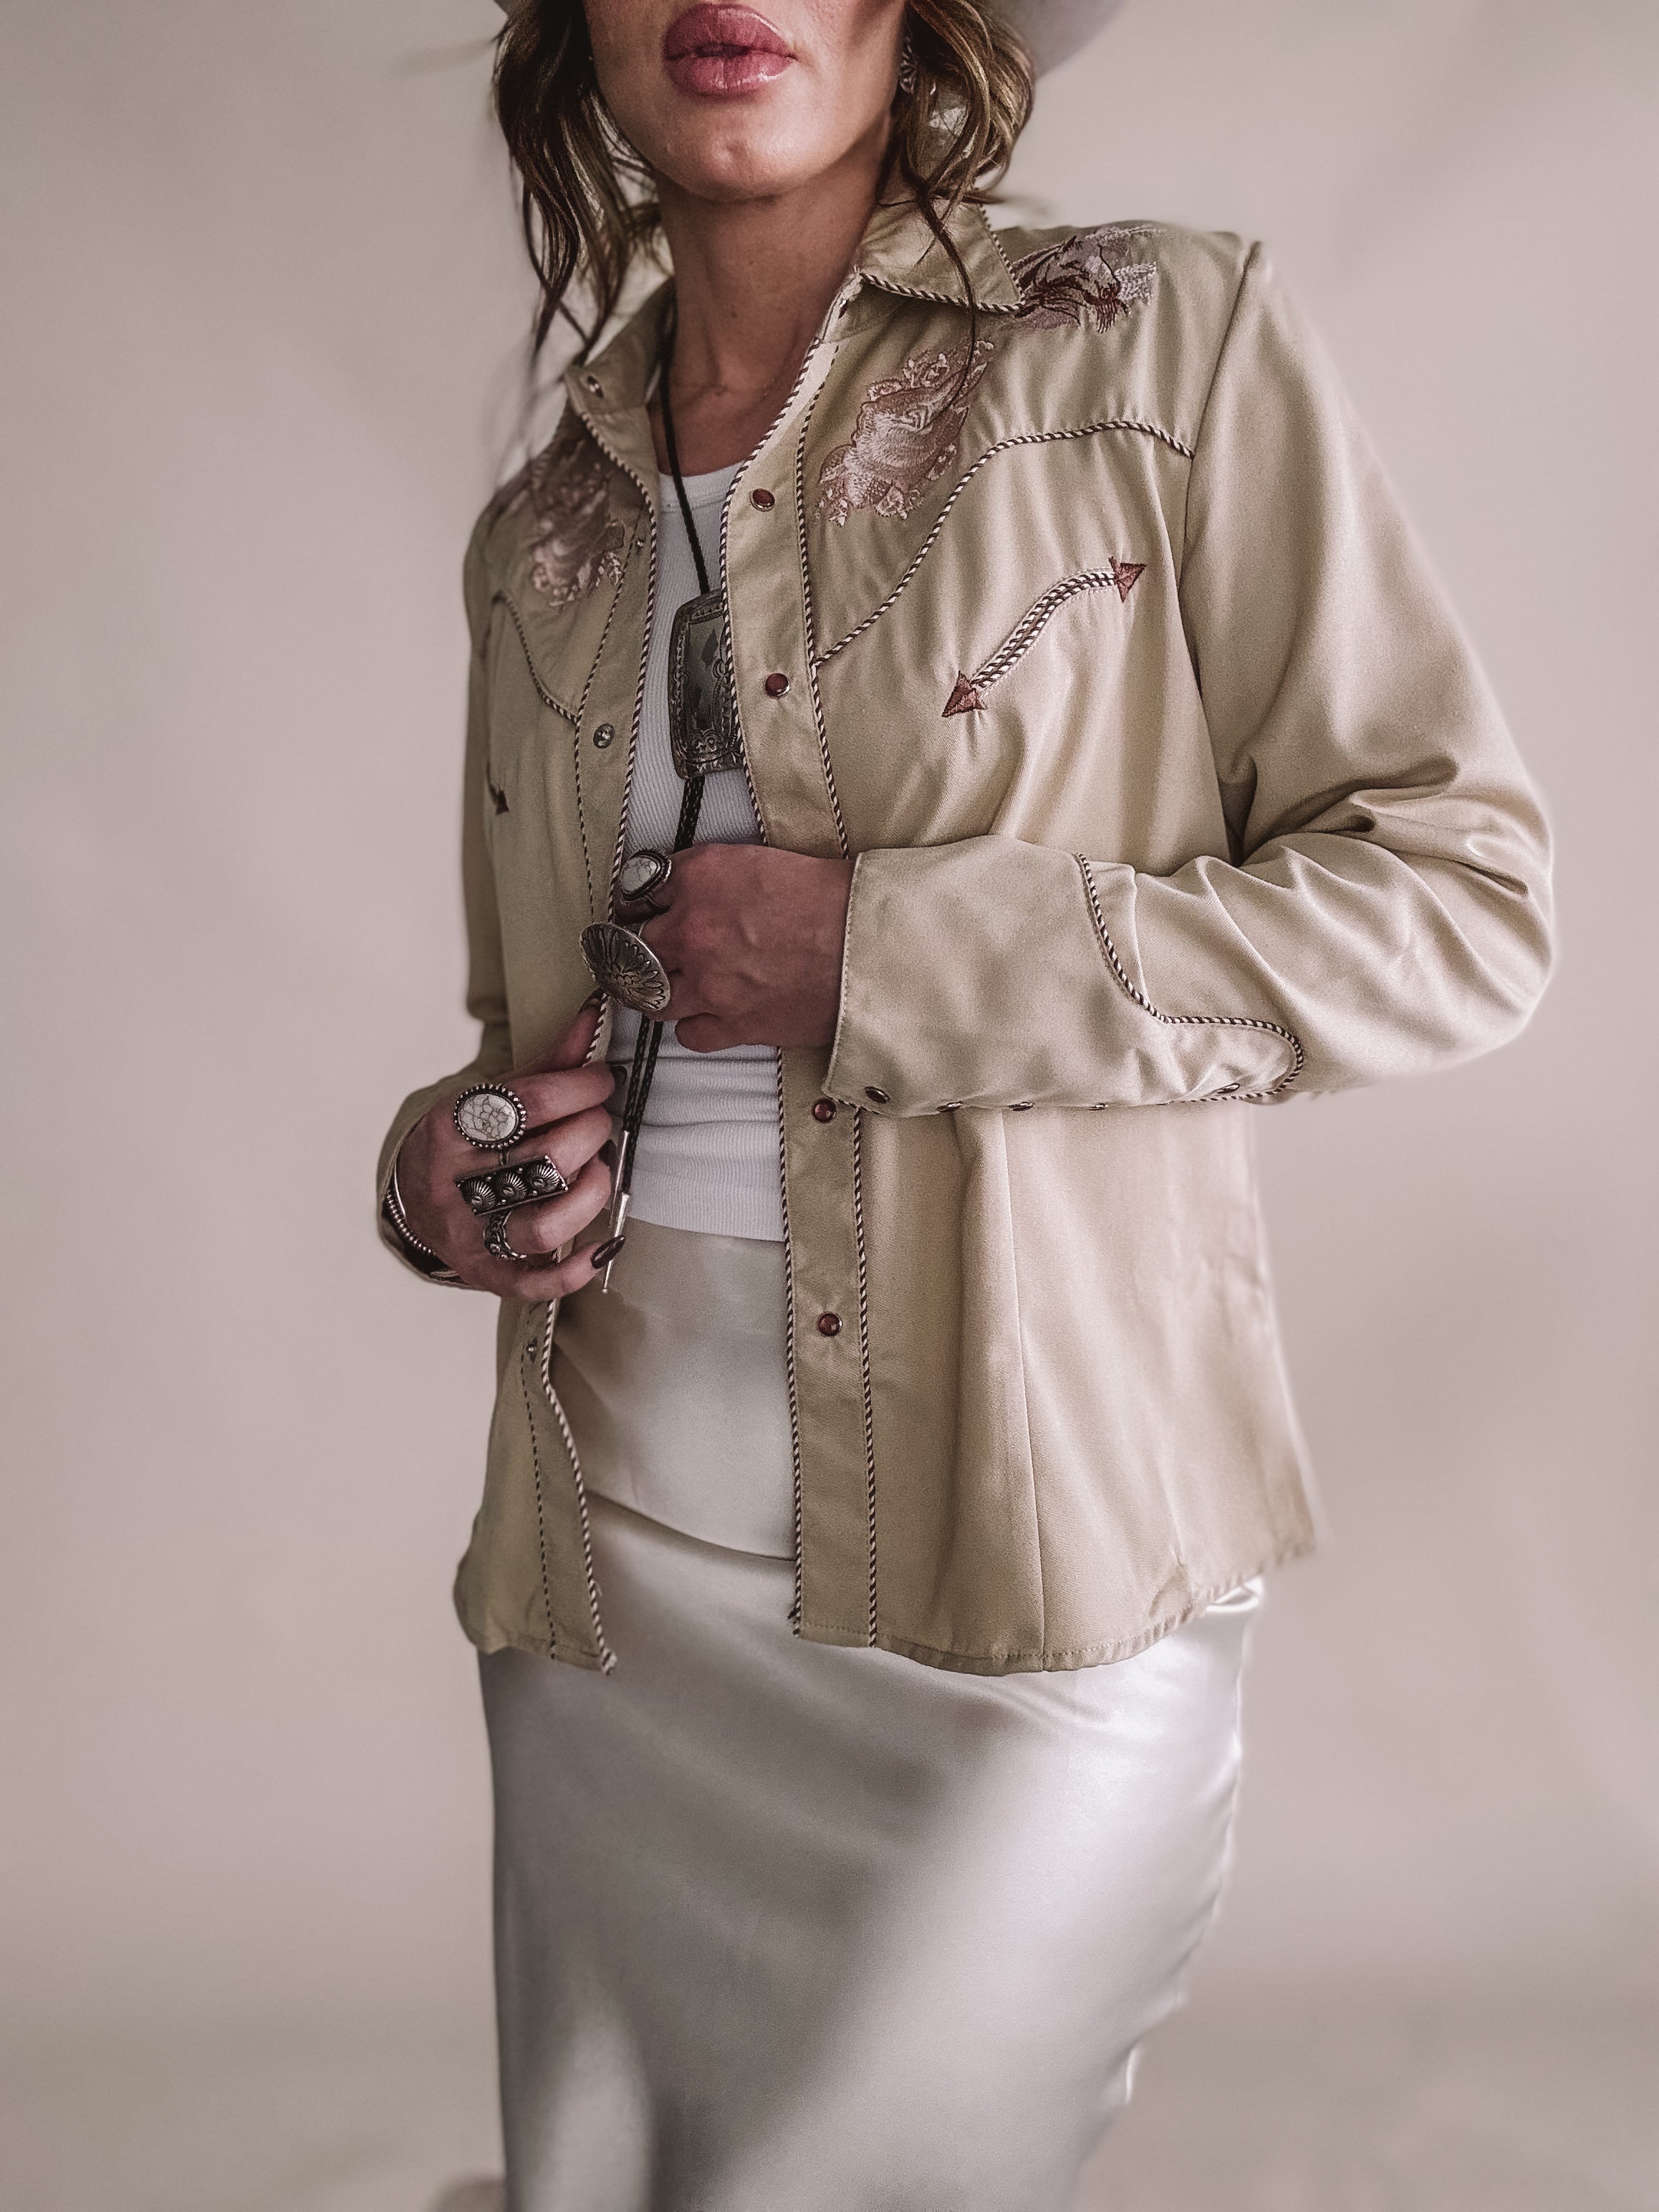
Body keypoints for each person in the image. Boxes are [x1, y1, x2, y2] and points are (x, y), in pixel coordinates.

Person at [377, 0, 1552, 2203]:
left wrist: (884, 952)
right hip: (619, 1567)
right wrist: (442, 1178)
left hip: (1029, 1536)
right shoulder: (544, 528)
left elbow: (1460, 905)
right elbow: (503, 1041)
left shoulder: (1150, 347)